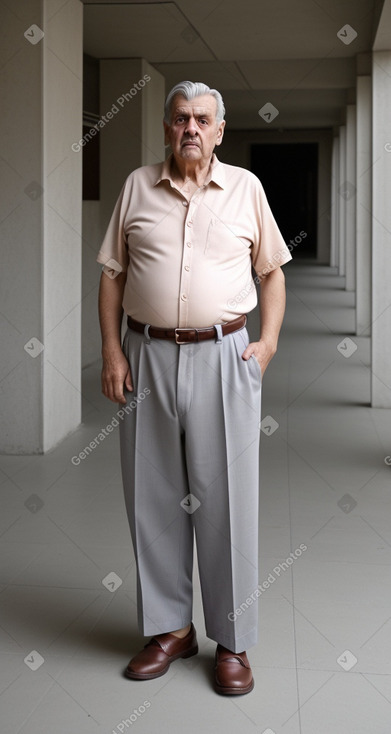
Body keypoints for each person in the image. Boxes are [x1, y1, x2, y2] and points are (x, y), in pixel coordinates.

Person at [97, 81, 292, 695]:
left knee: (227, 501)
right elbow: (111, 275)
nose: (191, 128)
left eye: (202, 120)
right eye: (181, 118)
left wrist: (266, 345)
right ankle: (170, 630)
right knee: (152, 498)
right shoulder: (137, 186)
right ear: (166, 127)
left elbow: (272, 273)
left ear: (220, 130)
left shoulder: (246, 191)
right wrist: (110, 350)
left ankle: (231, 643)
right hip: (147, 356)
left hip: (224, 355)